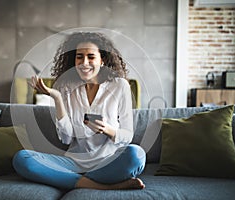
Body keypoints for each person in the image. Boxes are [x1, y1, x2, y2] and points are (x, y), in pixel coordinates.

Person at [12, 32, 146, 190]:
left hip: (109, 161)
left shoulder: (119, 86)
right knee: (22, 158)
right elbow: (66, 139)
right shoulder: (65, 87)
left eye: (91, 57)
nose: (84, 62)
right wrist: (57, 98)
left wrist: (107, 129)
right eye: (79, 57)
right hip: (74, 163)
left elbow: (128, 135)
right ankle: (102, 186)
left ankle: (71, 181)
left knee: (136, 154)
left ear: (102, 60)